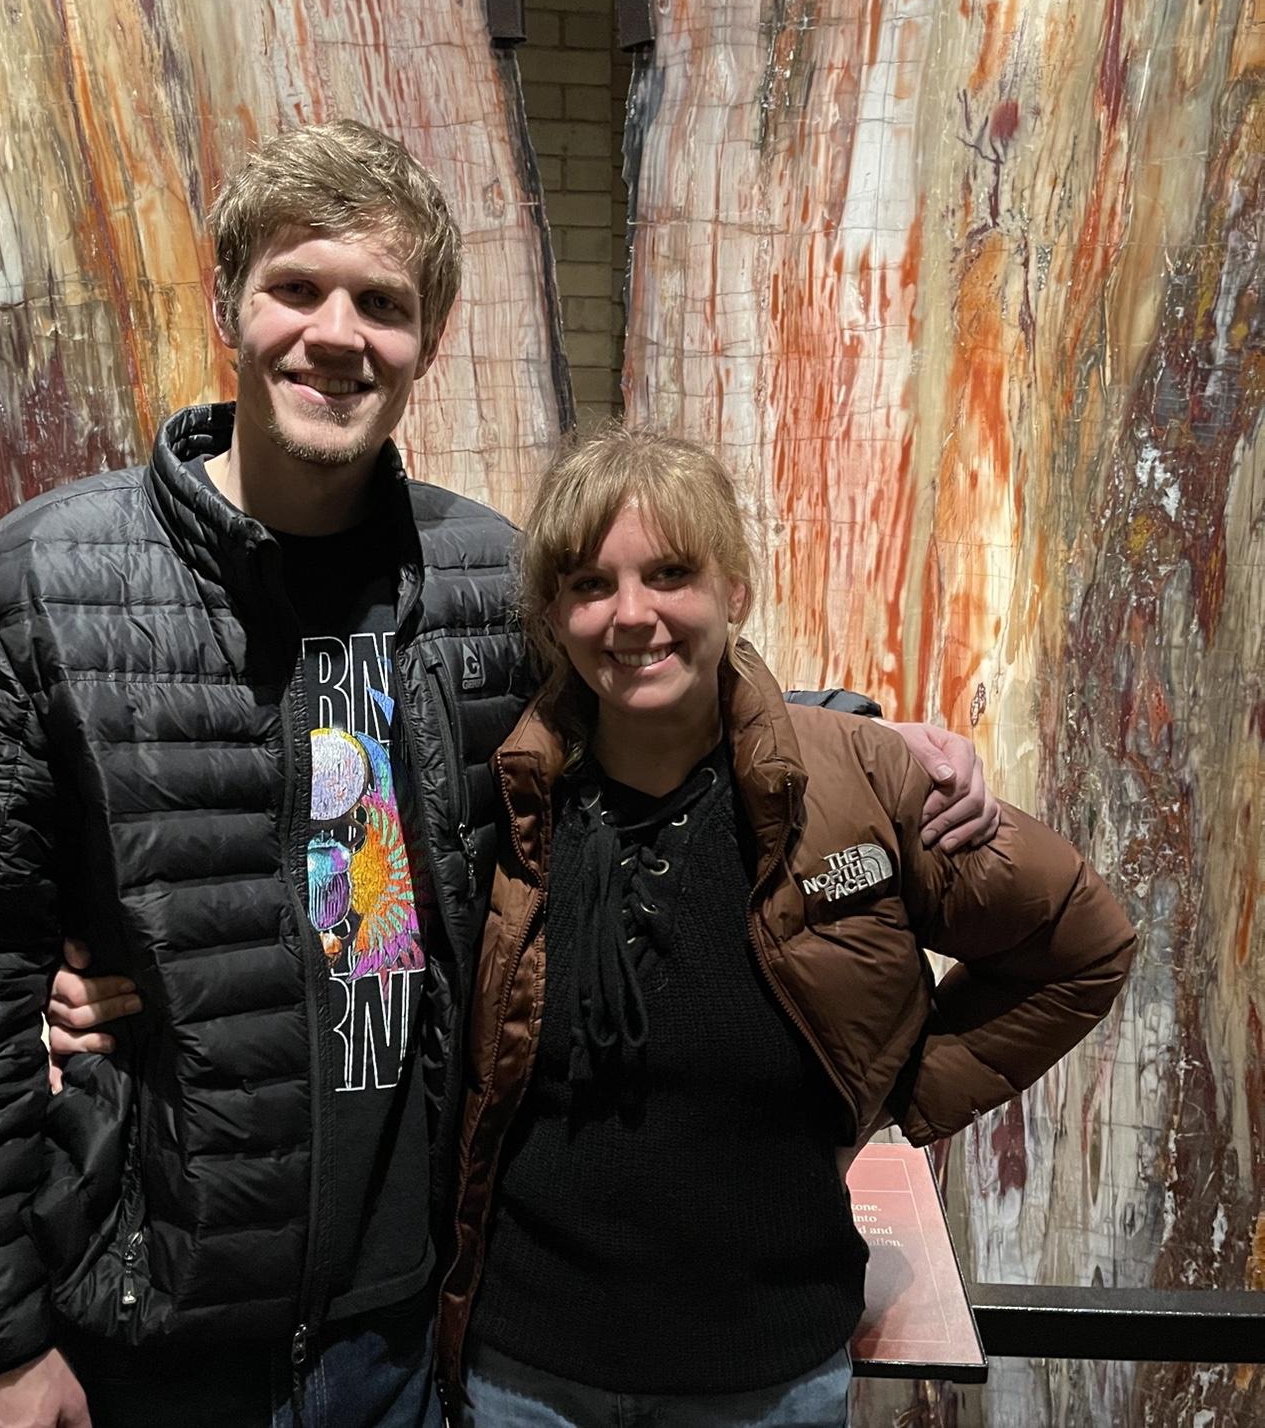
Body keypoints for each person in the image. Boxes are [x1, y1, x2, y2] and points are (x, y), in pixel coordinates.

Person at [0, 121, 996, 1428]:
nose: (337, 331)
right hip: (158, 1327)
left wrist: (863, 734)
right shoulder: (32, 595)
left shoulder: (480, 581)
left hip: (414, 1325)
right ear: (227, 305)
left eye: (384, 303)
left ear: (427, 341)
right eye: (296, 287)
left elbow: (652, 700)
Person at [427, 425, 1135, 1426]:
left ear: (735, 591)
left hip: (767, 1380)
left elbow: (1083, 946)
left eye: (670, 572)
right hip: (529, 1378)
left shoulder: (861, 778)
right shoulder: (505, 799)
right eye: (591, 584)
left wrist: (886, 1094)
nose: (633, 615)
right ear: (553, 614)